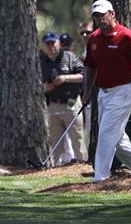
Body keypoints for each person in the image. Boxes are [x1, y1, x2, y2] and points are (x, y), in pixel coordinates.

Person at [83, 0, 131, 182]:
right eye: (96, 16)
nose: (99, 19)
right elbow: (90, 66)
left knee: (105, 133)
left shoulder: (127, 36)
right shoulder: (94, 38)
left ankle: (101, 176)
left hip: (124, 91)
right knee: (117, 138)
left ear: (112, 14)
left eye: (102, 15)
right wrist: (87, 91)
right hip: (104, 92)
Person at [41, 32, 88, 166]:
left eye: (53, 43)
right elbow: (35, 83)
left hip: (71, 103)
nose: (51, 47)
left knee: (77, 138)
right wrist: (44, 88)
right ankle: (58, 167)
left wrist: (66, 78)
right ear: (44, 46)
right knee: (56, 140)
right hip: (53, 105)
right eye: (48, 44)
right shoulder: (42, 62)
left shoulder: (70, 57)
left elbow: (84, 74)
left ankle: (82, 165)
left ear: (59, 43)